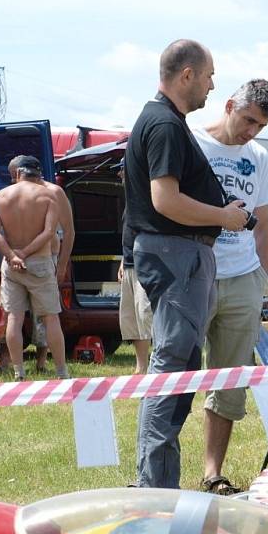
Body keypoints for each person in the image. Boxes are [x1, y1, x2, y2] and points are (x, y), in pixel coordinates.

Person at [124, 39, 248, 489]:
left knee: (176, 366)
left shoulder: (163, 122)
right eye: (210, 75)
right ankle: (155, 488)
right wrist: (223, 216)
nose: (213, 85)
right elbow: (164, 199)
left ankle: (155, 482)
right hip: (176, 255)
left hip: (177, 255)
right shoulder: (164, 125)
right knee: (171, 368)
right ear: (188, 75)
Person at [192, 79, 268, 495]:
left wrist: (261, 280)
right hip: (195, 273)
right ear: (228, 105)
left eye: (259, 125)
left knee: (229, 383)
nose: (251, 131)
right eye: (247, 120)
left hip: (243, 278)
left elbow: (264, 227)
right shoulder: (191, 141)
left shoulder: (259, 157)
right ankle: (156, 468)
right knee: (173, 374)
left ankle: (213, 473)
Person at [0, 156, 67, 381]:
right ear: (38, 174)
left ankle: (18, 372)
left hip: (12, 266)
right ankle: (61, 372)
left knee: (14, 318)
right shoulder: (47, 195)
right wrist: (24, 254)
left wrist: (13, 255)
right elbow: (49, 232)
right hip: (39, 262)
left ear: (18, 174)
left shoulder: (2, 196)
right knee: (51, 317)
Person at [9, 155, 75, 372]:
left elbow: (68, 231)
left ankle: (39, 361)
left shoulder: (54, 192)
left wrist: (63, 264)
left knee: (42, 315)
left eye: (13, 176)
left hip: (45, 258)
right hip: (29, 259)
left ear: (19, 172)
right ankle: (48, 366)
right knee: (37, 314)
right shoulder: (21, 194)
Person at [116, 161, 153, 376]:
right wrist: (123, 259)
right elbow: (130, 233)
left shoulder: (148, 194)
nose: (120, 173)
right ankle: (141, 367)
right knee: (133, 319)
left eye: (123, 169)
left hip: (146, 264)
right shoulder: (131, 197)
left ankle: (156, 366)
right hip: (130, 263)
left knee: (146, 315)